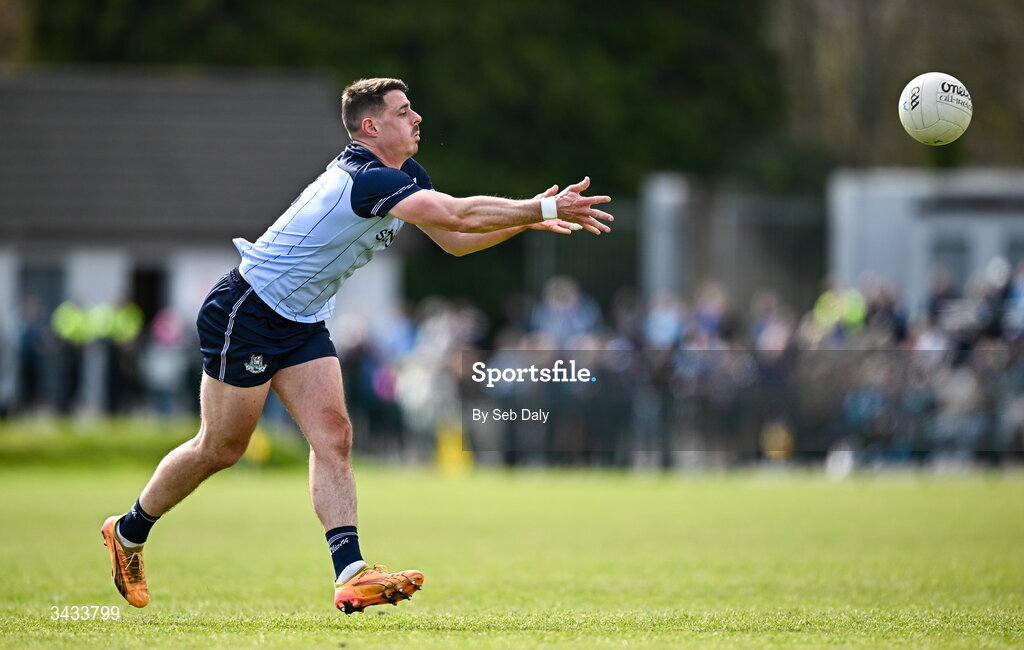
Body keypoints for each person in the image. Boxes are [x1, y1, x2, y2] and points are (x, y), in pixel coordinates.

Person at [101, 77, 614, 614]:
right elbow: (459, 215)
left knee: (336, 436)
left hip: (302, 319)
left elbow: (456, 240)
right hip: (247, 309)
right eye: (403, 111)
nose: (417, 119)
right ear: (371, 127)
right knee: (221, 448)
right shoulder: (365, 178)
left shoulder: (404, 175)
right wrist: (540, 209)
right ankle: (129, 531)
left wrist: (533, 220)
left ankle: (350, 573)